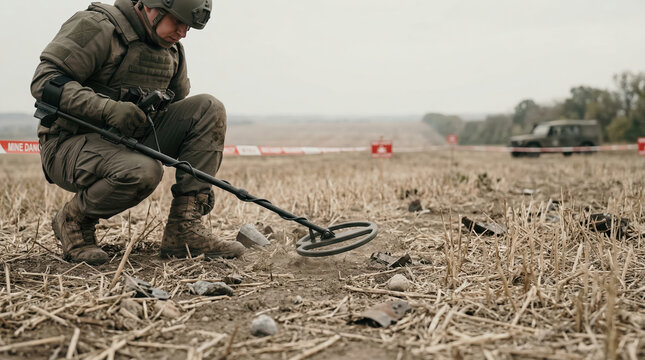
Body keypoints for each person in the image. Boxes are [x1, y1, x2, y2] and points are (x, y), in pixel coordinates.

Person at [31, 0, 245, 265]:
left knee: (209, 108)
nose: (183, 32)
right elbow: (45, 81)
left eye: (188, 26)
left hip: (128, 139)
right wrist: (106, 108)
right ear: (153, 7)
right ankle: (74, 221)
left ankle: (184, 230)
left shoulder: (172, 52)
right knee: (144, 171)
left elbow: (179, 109)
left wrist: (197, 181)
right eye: (178, 21)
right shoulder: (97, 27)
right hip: (68, 144)